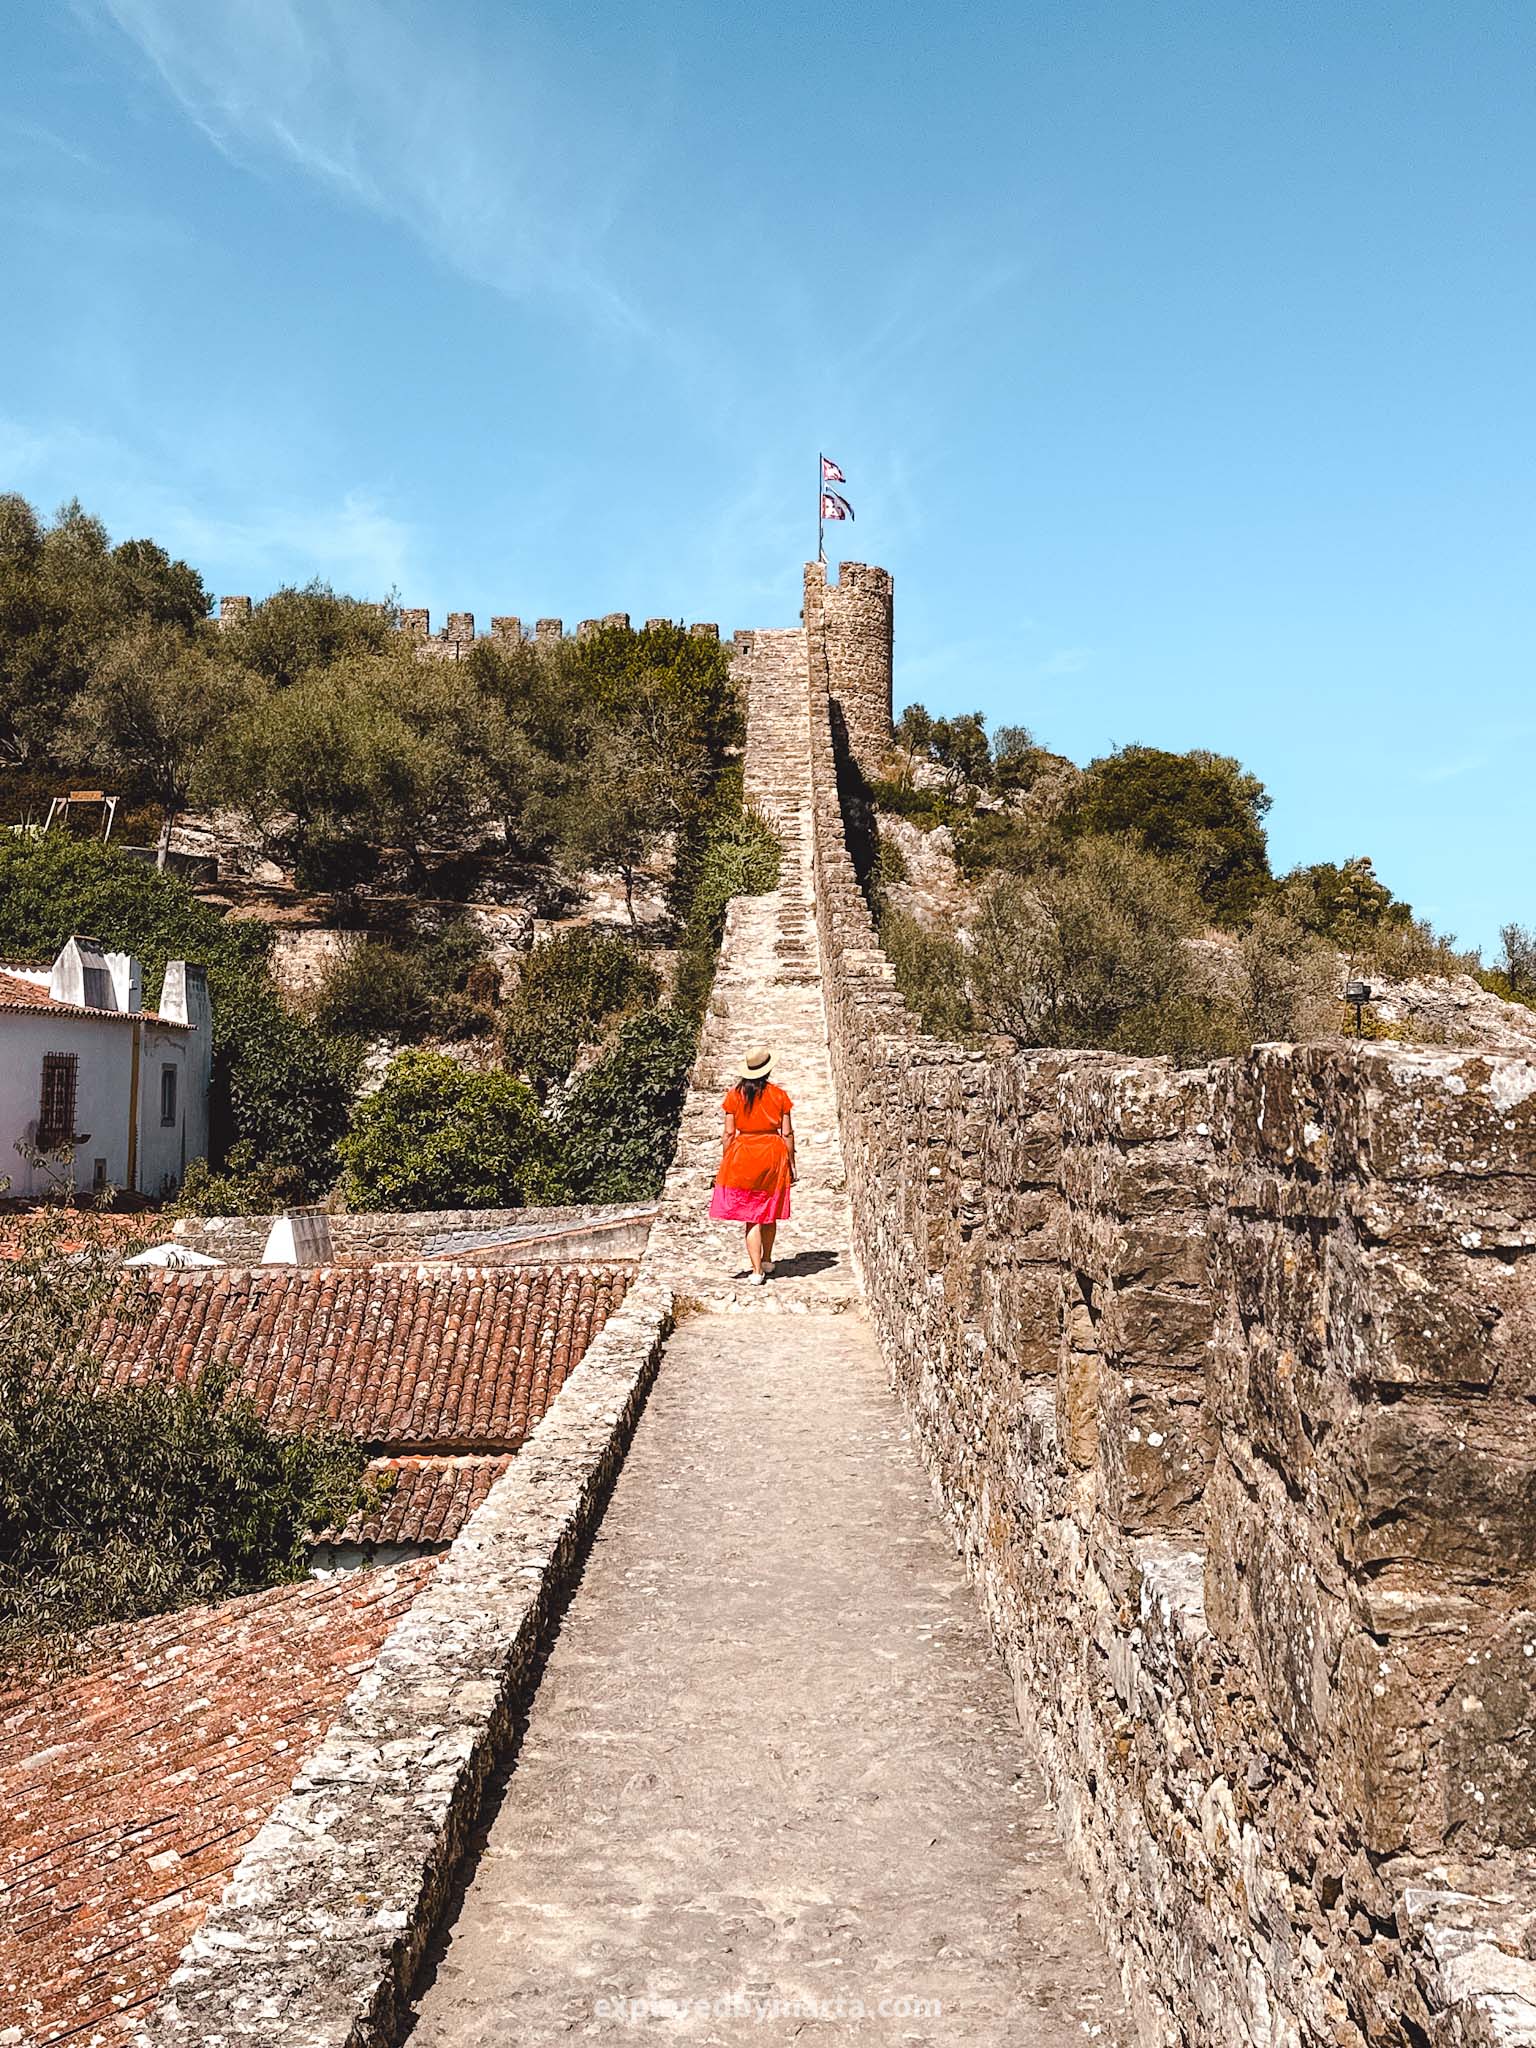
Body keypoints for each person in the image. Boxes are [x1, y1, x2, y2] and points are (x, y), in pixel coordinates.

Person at [708, 1047, 796, 1283]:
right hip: (772, 1152)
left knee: (751, 1215)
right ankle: (767, 1259)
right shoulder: (779, 1096)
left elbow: (728, 1132)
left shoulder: (734, 1095)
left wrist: (726, 1160)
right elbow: (787, 1134)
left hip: (744, 1152)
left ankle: (756, 1271)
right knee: (769, 1211)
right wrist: (791, 1163)